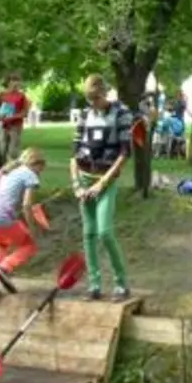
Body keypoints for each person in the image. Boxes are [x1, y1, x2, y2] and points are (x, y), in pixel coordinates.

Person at [71, 74, 135, 301]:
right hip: (84, 178)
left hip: (106, 179)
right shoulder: (85, 114)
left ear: (105, 93)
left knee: (104, 231)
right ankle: (94, 285)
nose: (92, 103)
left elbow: (125, 152)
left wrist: (102, 183)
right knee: (88, 233)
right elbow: (74, 153)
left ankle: (121, 284)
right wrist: (77, 184)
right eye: (89, 99)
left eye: (96, 98)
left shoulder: (122, 113)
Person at [0, 147, 48, 299]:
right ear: (37, 164)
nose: (41, 173)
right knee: (29, 245)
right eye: (41, 169)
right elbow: (26, 205)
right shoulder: (30, 175)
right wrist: (32, 229)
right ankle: (4, 268)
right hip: (1, 217)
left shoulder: (5, 172)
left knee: (2, 244)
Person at [0, 72, 30, 162]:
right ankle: (2, 168)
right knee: (2, 149)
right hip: (3, 125)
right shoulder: (1, 95)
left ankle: (15, 167)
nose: (16, 83)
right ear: (8, 82)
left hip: (15, 126)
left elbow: (25, 112)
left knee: (13, 151)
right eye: (13, 80)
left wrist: (13, 117)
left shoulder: (21, 96)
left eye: (18, 81)